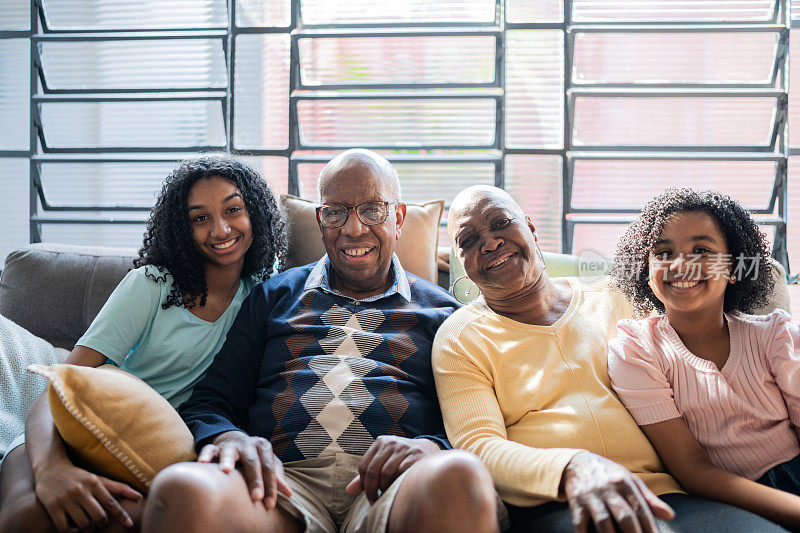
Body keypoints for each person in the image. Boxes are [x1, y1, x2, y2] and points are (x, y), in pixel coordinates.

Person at [139, 149, 503, 533]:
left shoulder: (445, 314)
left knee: (461, 475)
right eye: (336, 212)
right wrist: (230, 436)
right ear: (320, 221)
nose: (354, 229)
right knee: (180, 488)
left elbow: (475, 423)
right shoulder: (274, 296)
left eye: (372, 210)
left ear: (398, 219)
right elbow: (212, 400)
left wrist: (433, 446)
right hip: (281, 487)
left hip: (394, 488)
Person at [432, 184, 786, 533]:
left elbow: (693, 298)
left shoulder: (618, 295)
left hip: (670, 495)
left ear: (531, 228)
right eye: (468, 241)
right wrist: (572, 467)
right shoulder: (460, 337)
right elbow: (480, 446)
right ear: (460, 261)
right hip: (562, 505)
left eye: (500, 223)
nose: (490, 243)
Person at [0, 156, 286, 532]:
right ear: (181, 228)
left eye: (234, 210)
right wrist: (52, 469)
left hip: (155, 451)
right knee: (28, 518)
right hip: (71, 433)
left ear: (257, 216)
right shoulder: (152, 285)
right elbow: (64, 384)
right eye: (200, 218)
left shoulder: (263, 294)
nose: (220, 229)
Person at [607, 188, 800, 530]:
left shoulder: (775, 334)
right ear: (645, 271)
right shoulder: (636, 349)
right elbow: (692, 470)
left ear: (735, 267)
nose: (681, 264)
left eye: (702, 250)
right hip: (727, 500)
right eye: (663, 252)